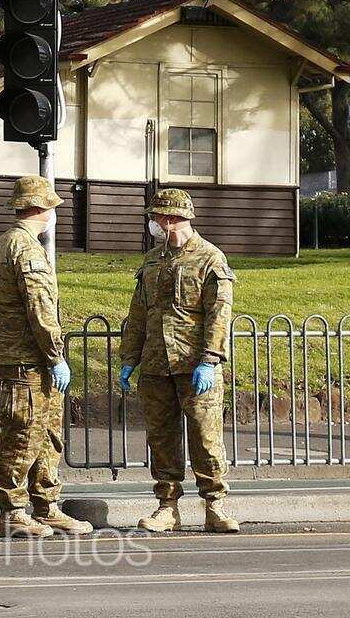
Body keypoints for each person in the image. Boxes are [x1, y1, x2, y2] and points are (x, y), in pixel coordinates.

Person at [120, 188, 238, 533]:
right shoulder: (152, 261)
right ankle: (167, 506)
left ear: (171, 219)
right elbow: (138, 313)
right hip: (156, 365)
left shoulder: (210, 258)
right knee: (161, 438)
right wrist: (129, 357)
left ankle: (215, 505)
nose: (153, 223)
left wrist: (210, 359)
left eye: (156, 217)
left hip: (194, 364)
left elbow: (219, 314)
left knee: (205, 437)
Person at [0, 176, 91, 538]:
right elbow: (40, 308)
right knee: (24, 433)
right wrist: (55, 354)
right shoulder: (26, 249)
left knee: (46, 433)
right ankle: (13, 511)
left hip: (22, 354)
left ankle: (46, 506)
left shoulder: (6, 243)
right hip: (26, 357)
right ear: (42, 209)